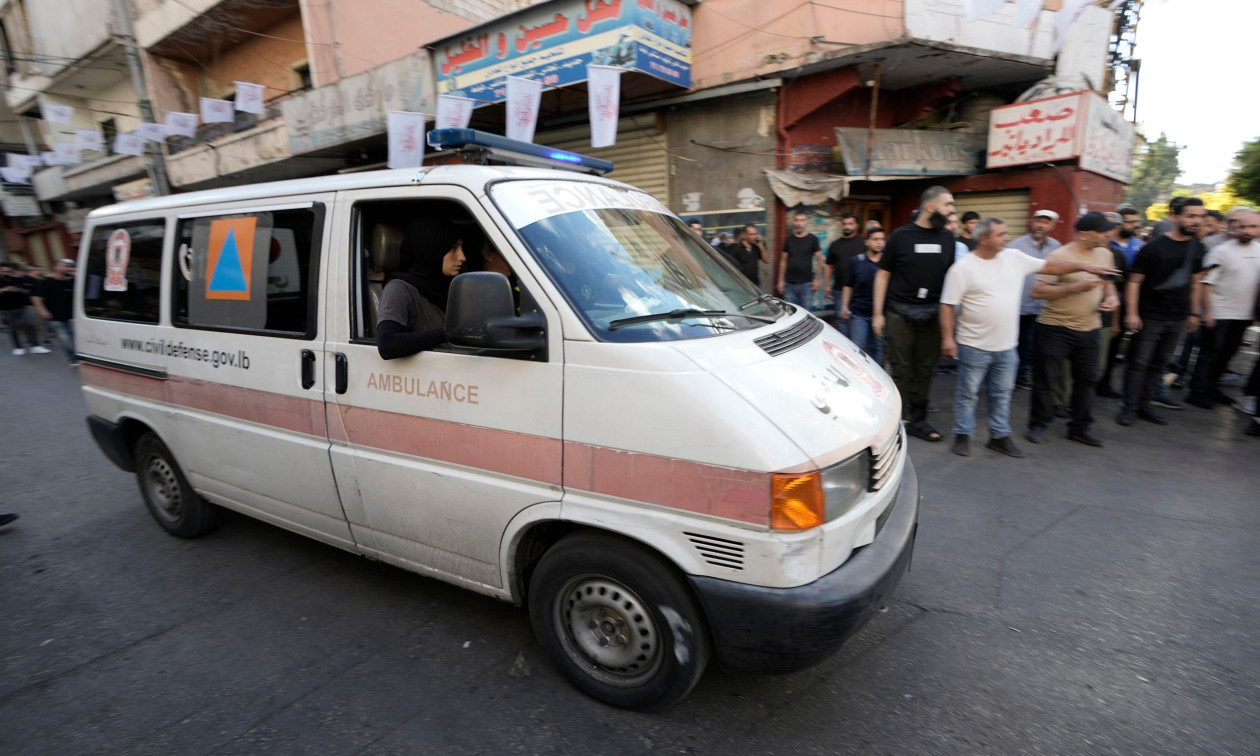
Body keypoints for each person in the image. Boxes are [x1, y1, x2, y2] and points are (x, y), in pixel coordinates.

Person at [941, 217, 1117, 457]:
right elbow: (948, 305)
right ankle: (963, 435)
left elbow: (1050, 267)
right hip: (974, 345)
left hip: (1007, 346)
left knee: (1002, 393)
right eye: (1000, 234)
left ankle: (999, 435)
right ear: (984, 240)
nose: (1006, 238)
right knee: (967, 394)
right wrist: (948, 339)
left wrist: (1085, 267)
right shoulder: (963, 268)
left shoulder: (1013, 258)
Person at [1025, 213, 1122, 447]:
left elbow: (1108, 284)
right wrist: (1075, 286)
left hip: (1090, 328)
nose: (1107, 234)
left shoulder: (1105, 254)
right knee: (1046, 380)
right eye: (1102, 231)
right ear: (1085, 234)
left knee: (1087, 381)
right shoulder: (1059, 256)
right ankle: (1038, 424)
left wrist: (1112, 300)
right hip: (1054, 328)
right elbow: (1036, 292)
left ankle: (1080, 428)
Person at [872, 185, 957, 442]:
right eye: (948, 205)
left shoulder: (948, 239)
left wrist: (949, 326)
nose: (952, 210)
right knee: (901, 369)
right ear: (930, 207)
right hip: (900, 314)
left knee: (924, 370)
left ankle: (918, 420)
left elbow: (952, 279)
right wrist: (878, 314)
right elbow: (883, 274)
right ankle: (897, 420)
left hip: (932, 315)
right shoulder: (900, 236)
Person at [1117, 197, 1208, 426]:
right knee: (1139, 362)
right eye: (1191, 216)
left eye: (1200, 216)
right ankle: (1129, 407)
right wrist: (1132, 313)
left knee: (1160, 363)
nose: (1196, 221)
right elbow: (1134, 282)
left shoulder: (1198, 248)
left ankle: (1145, 405)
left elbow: (1196, 283)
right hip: (1150, 316)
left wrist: (1193, 313)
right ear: (1176, 217)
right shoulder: (1154, 247)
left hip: (1177, 317)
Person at [1186, 211, 1260, 408]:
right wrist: (1207, 312)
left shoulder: (1259, 250)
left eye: (1253, 227)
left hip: (1244, 314)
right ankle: (1197, 392)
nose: (1246, 231)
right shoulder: (1221, 251)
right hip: (1219, 312)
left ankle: (1211, 388)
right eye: (1243, 226)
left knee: (1228, 354)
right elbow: (1205, 283)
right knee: (1210, 354)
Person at [376, 216, 466, 360]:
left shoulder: (453, 286)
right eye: (453, 248)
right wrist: (448, 333)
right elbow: (387, 344)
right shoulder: (399, 288)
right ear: (430, 247)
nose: (462, 257)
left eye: (461, 248)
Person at [1008, 209, 1062, 388]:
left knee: (1034, 344)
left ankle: (1023, 374)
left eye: (1046, 222)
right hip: (1020, 304)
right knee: (1016, 342)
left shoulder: (1056, 247)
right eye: (1038, 221)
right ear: (1032, 222)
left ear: (1052, 226)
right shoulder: (1016, 246)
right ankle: (1013, 377)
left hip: (1044, 306)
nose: (1041, 225)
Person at [840, 227, 885, 365]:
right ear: (867, 242)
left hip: (880, 315)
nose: (879, 242)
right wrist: (844, 306)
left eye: (882, 239)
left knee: (876, 348)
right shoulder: (857, 261)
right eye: (875, 239)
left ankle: (875, 378)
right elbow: (848, 285)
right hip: (859, 313)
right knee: (857, 348)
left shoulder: (887, 264)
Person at [32, 258, 77, 366]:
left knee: (77, 336)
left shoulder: (68, 281)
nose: (66, 268)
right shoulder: (46, 282)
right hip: (55, 317)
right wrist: (42, 311)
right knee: (64, 339)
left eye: (66, 266)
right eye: (63, 266)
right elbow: (36, 298)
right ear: (55, 267)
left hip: (71, 315)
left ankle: (81, 355)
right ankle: (73, 358)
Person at [824, 213, 864, 332]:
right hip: (839, 289)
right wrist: (826, 286)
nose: (847, 227)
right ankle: (844, 345)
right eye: (845, 224)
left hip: (859, 290)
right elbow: (828, 266)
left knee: (858, 318)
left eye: (850, 224)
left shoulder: (863, 243)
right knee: (840, 318)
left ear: (856, 225)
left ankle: (856, 346)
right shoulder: (835, 244)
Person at [777, 210, 822, 310]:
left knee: (806, 315)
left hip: (806, 285)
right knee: (789, 314)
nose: (799, 223)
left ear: (806, 222)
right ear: (793, 222)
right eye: (797, 220)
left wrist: (817, 280)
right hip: (789, 285)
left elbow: (819, 259)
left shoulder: (813, 239)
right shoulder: (789, 240)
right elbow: (783, 260)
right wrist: (780, 280)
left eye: (802, 220)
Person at [1, 262, 47, 355]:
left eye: (8, 271)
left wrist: (17, 290)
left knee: (30, 324)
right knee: (13, 329)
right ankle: (18, 347)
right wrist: (4, 290)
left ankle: (36, 346)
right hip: (6, 309)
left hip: (21, 307)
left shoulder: (17, 279)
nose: (6, 273)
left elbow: (26, 291)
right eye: (4, 271)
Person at [723, 223, 768, 288]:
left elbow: (766, 260)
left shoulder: (757, 247)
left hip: (756, 284)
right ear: (745, 235)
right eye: (751, 234)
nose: (754, 237)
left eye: (755, 234)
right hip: (742, 285)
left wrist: (761, 246)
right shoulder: (736, 248)